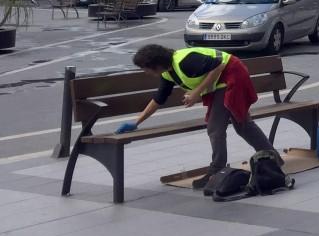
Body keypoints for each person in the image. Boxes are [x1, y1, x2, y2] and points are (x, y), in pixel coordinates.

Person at [116, 45, 276, 189]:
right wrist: (136, 122)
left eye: (145, 68)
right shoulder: (168, 73)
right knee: (243, 125)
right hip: (222, 81)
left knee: (215, 127)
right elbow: (159, 98)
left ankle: (217, 171)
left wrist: (196, 92)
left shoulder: (185, 61)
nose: (145, 72)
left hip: (232, 74)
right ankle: (272, 159)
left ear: (156, 64)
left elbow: (218, 66)